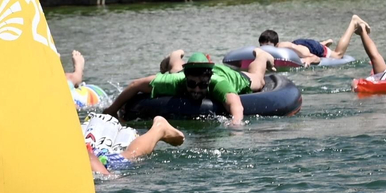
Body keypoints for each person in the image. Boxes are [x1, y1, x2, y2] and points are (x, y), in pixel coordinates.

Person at [104, 52, 271, 127]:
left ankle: (261, 57)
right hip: (182, 72)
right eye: (192, 84)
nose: (197, 90)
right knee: (175, 69)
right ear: (186, 79)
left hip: (231, 76)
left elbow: (236, 105)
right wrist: (111, 111)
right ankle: (176, 55)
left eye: (202, 85)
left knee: (257, 79)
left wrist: (235, 124)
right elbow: (135, 85)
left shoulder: (218, 83)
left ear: (208, 81)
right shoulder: (176, 80)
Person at [84, 112, 184, 174]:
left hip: (91, 156)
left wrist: (109, 177)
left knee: (131, 155)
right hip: (85, 153)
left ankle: (159, 129)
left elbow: (87, 155)